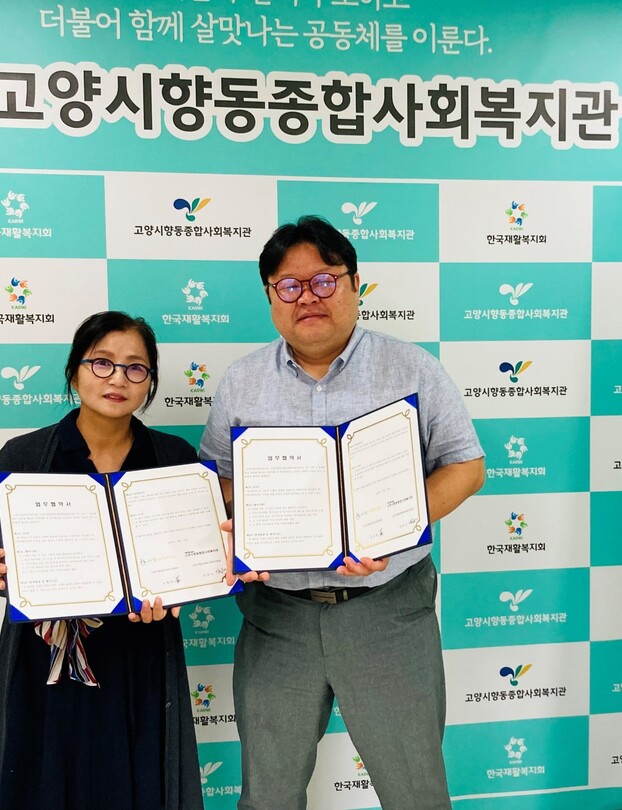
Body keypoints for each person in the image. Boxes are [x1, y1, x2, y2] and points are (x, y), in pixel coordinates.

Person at [200, 216, 486, 810]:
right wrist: (240, 525)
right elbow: (217, 482)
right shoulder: (241, 382)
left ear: (356, 284)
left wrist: (391, 529)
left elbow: (466, 467)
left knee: (416, 795)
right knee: (268, 796)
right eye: (289, 285)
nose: (307, 297)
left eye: (324, 281)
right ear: (270, 297)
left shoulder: (413, 368)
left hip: (387, 609)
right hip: (277, 616)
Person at [0, 311, 211, 810]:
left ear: (150, 381)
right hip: (45, 662)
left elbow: (196, 560)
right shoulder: (23, 456)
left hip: (141, 654)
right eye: (101, 363)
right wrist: (0, 576)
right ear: (74, 371)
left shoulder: (174, 458)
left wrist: (187, 587)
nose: (118, 378)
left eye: (135, 367)